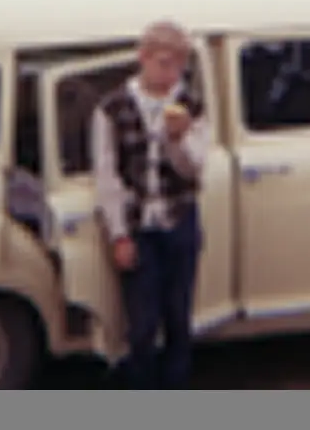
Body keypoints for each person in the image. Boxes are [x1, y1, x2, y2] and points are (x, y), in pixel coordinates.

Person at [91, 19, 211, 389]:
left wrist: (178, 140)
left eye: (178, 66)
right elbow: (106, 175)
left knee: (179, 318)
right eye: (164, 64)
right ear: (143, 58)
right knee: (142, 324)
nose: (171, 74)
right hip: (137, 223)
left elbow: (194, 168)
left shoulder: (191, 105)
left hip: (180, 217)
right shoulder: (111, 108)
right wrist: (119, 234)